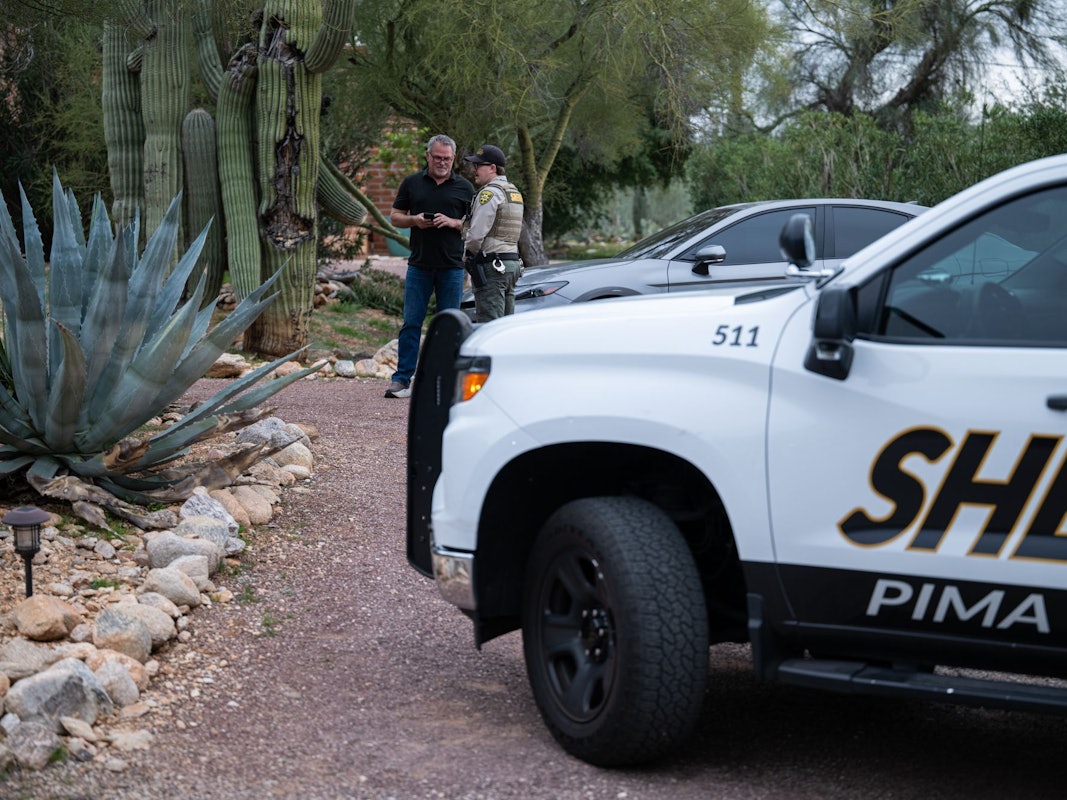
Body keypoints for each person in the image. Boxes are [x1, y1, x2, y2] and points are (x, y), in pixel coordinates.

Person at [384, 134, 475, 398]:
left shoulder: (465, 188)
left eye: (447, 158)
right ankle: (402, 380)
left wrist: (454, 222)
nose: (442, 162)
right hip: (419, 266)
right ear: (428, 156)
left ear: (453, 158)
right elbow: (395, 217)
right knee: (411, 323)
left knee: (449, 326)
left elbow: (475, 224)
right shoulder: (412, 183)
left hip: (452, 268)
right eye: (438, 158)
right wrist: (414, 220)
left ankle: (446, 380)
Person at [461, 145, 525, 321]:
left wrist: (467, 257)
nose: (474, 170)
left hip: (492, 266)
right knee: (506, 325)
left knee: (490, 326)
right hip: (511, 264)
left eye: (478, 166)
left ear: (492, 168)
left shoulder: (489, 193)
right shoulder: (513, 192)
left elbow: (476, 235)